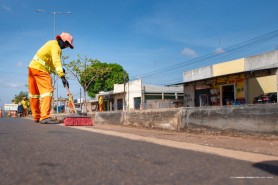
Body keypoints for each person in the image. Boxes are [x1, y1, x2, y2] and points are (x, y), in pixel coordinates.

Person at [28, 32, 74, 124]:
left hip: (32, 68)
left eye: (68, 45)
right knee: (47, 91)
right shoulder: (56, 46)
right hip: (41, 69)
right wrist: (62, 76)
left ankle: (37, 116)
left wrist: (61, 71)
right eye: (66, 44)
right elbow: (56, 61)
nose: (66, 47)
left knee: (35, 94)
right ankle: (44, 117)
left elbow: (51, 63)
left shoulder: (51, 43)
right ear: (61, 40)